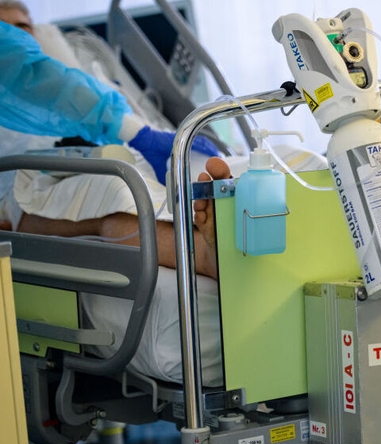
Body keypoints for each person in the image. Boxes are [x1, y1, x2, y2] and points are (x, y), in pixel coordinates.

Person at [0, 3, 224, 278]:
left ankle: (219, 228)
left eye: (22, 28)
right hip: (22, 186)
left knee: (191, 177)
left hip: (100, 158)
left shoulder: (76, 86)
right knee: (116, 192)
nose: (14, 38)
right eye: (4, 30)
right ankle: (205, 254)